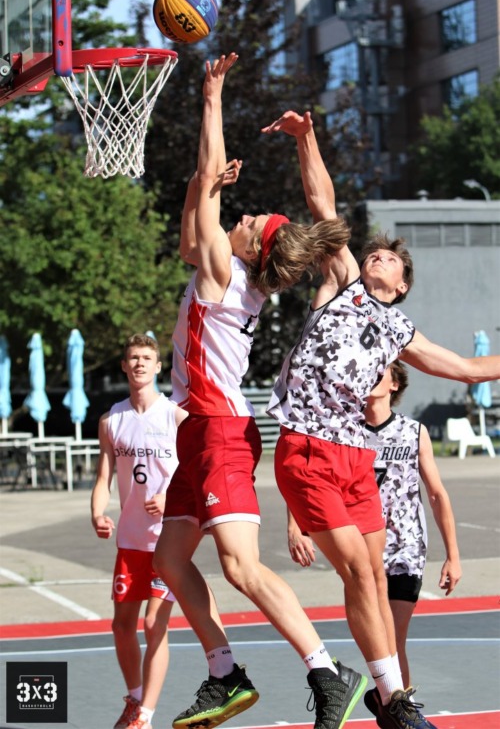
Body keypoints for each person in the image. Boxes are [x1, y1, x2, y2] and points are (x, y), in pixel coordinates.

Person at [262, 109, 500, 729]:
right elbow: (322, 203)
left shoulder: (400, 330)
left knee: (372, 575)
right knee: (356, 570)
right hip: (307, 445)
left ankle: (388, 698)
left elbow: (468, 370)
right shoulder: (344, 283)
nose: (377, 256)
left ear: (403, 282)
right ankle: (394, 699)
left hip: (354, 456)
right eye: (375, 253)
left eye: (390, 258)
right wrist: (307, 137)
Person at [153, 53, 368, 729]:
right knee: (170, 560)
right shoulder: (223, 271)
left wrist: (212, 94)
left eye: (252, 220)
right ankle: (225, 674)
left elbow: (208, 187)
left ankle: (327, 672)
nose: (244, 214)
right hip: (199, 432)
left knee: (241, 568)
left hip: (220, 430)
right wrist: (201, 186)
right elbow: (192, 234)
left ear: (250, 248)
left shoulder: (226, 276)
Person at [287, 359, 462, 707]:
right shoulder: (344, 431)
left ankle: (400, 710)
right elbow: (310, 478)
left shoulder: (413, 431)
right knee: (380, 641)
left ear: (394, 384)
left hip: (405, 547)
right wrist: (296, 526)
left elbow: (437, 494)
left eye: (379, 371)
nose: (369, 376)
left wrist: (453, 555)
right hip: (360, 544)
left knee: (393, 640)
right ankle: (391, 705)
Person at [91, 333, 187, 729]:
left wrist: (169, 497)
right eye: (133, 358)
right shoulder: (111, 420)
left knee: (153, 624)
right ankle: (134, 698)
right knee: (121, 626)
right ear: (124, 366)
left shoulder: (176, 416)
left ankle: (145, 714)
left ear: (158, 366)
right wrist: (98, 513)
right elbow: (103, 476)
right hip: (130, 541)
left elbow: (195, 471)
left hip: (167, 540)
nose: (140, 364)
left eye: (147, 358)